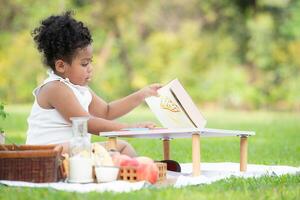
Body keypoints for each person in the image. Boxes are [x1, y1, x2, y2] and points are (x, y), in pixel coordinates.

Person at [26, 12, 161, 157]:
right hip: (47, 154)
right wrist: (130, 128)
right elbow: (86, 123)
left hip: (72, 151)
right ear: (60, 66)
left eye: (91, 61)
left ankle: (140, 173)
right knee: (113, 154)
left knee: (122, 148)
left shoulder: (80, 89)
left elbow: (107, 112)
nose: (90, 68)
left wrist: (142, 95)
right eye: (84, 64)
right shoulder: (55, 88)